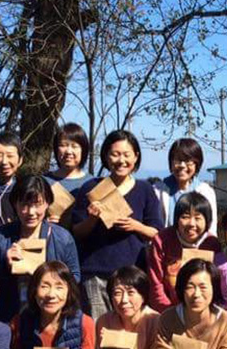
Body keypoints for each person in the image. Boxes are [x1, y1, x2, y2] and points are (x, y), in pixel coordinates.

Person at [70, 130, 163, 318]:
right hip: (95, 274)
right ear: (106, 156)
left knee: (130, 332)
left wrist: (135, 226)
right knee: (100, 332)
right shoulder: (91, 188)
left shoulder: (145, 190)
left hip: (132, 275)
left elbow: (158, 233)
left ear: (136, 157)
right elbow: (76, 232)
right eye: (115, 154)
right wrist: (92, 219)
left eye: (127, 154)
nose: (121, 160)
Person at [0, 174, 81, 323]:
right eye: (24, 205)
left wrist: (53, 278)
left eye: (37, 204)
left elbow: (75, 276)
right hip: (8, 315)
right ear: (15, 204)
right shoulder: (1, 236)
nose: (31, 212)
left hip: (50, 317)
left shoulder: (62, 238)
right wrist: (5, 266)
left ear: (48, 203)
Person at [146, 192, 220, 311]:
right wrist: (169, 313)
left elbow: (215, 284)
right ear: (176, 219)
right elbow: (156, 284)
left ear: (207, 221)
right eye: (185, 217)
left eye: (197, 218)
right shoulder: (161, 240)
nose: (191, 224)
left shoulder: (212, 244)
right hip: (167, 311)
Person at [154, 137, 219, 234]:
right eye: (178, 160)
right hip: (165, 247)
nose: (182, 165)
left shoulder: (205, 192)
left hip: (197, 248)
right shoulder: (158, 190)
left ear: (197, 164)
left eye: (188, 161)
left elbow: (211, 228)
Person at [46, 122, 95, 196]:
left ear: (83, 150)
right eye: (63, 145)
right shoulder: (43, 183)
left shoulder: (93, 184)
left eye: (74, 146)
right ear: (56, 149)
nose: (68, 151)